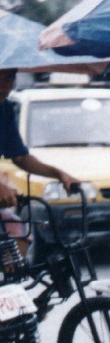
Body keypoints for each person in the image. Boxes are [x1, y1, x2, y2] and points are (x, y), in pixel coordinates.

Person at [0, 68, 81, 256]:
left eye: (8, 79)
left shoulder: (5, 110)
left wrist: (59, 174)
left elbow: (20, 157)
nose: (4, 87)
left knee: (18, 232)